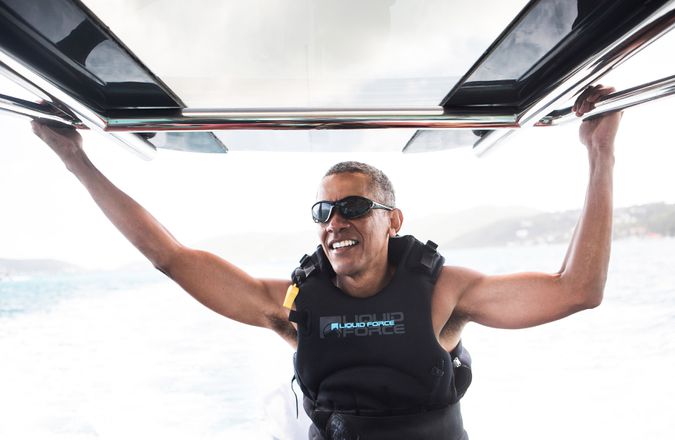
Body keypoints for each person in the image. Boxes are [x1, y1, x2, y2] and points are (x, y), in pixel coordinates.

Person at [31, 84, 621, 439]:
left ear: (393, 219)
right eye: (324, 211)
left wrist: (600, 151)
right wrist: (73, 158)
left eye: (354, 207)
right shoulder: (292, 303)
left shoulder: (446, 292)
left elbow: (577, 290)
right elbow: (170, 256)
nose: (335, 222)